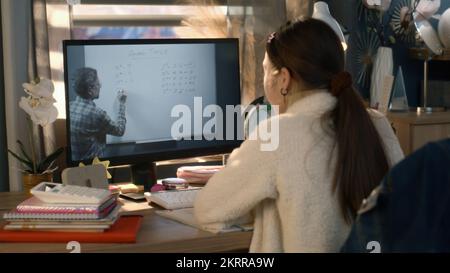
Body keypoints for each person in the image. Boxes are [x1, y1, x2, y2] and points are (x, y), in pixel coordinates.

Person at [194, 18, 404, 252]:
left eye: (265, 70)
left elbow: (207, 209)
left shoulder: (278, 134)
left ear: (284, 79)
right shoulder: (377, 122)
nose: (264, 80)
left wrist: (255, 198)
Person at [70, 67, 127, 161]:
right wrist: (122, 103)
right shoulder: (97, 114)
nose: (100, 86)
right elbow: (119, 130)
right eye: (98, 84)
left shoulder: (69, 107)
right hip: (94, 169)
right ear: (90, 89)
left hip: (76, 167)